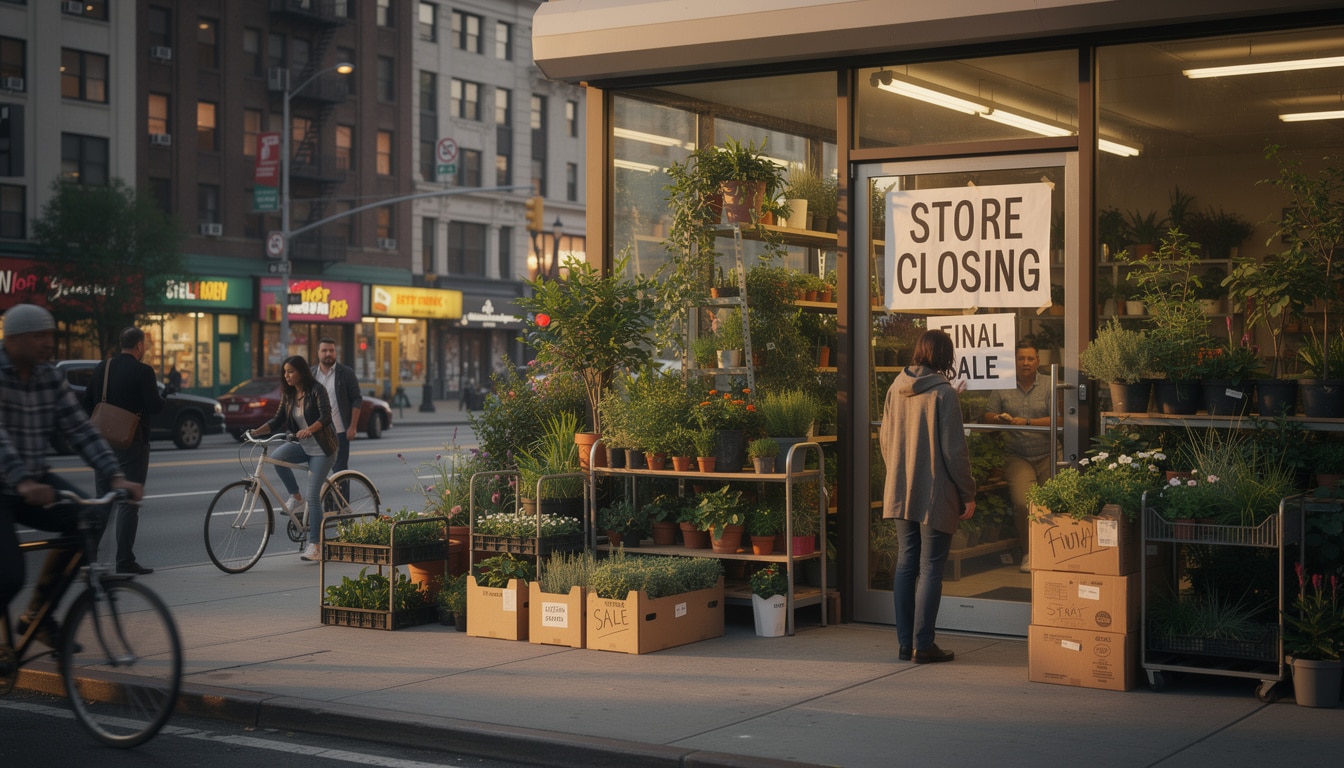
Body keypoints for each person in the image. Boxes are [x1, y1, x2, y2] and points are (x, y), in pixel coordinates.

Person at [0, 304, 143, 648]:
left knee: (89, 520)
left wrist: (114, 475)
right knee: (10, 576)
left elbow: (80, 428)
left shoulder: (48, 377)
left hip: (34, 480)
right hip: (8, 485)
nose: (48, 343)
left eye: (50, 335)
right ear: (13, 340)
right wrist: (22, 480)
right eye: (39, 336)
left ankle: (39, 614)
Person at [879, 329, 975, 664]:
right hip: (935, 491)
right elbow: (954, 452)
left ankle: (906, 644)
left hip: (899, 489)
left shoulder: (896, 386)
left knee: (907, 563)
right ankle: (924, 645)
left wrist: (898, 473)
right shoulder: (944, 393)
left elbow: (885, 439)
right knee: (931, 567)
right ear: (945, 357)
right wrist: (968, 492)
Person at [82, 326, 165, 575]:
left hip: (103, 442)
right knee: (128, 501)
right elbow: (155, 406)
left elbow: (87, 402)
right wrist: (164, 397)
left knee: (103, 499)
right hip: (132, 442)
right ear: (139, 345)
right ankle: (124, 560)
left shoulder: (103, 367)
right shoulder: (143, 371)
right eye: (144, 344)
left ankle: (87, 558)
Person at [247, 355, 337, 561]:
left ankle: (316, 545)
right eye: (285, 372)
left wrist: (309, 430)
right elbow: (278, 420)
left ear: (301, 372)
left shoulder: (317, 390)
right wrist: (256, 431)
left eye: (290, 371)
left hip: (323, 449)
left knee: (313, 495)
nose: (286, 375)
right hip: (302, 446)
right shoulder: (288, 394)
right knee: (278, 457)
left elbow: (326, 416)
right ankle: (296, 497)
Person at [981, 339, 1055, 573]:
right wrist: (999, 419)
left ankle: (1053, 552)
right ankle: (1029, 552)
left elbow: (1060, 418)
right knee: (1024, 503)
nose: (1025, 362)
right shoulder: (1002, 385)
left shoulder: (1049, 384)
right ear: (1014, 361)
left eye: (1030, 358)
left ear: (1038, 361)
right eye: (1021, 358)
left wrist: (1028, 422)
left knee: (1053, 501)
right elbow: (988, 415)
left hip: (1048, 452)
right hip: (1017, 455)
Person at [312, 337, 362, 475]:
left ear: (336, 352)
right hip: (316, 433)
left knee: (340, 472)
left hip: (340, 433)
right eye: (324, 350)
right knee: (317, 473)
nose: (328, 353)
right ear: (318, 353)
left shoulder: (346, 373)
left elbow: (357, 399)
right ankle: (325, 491)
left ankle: (342, 491)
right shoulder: (311, 374)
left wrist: (352, 427)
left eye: (331, 350)